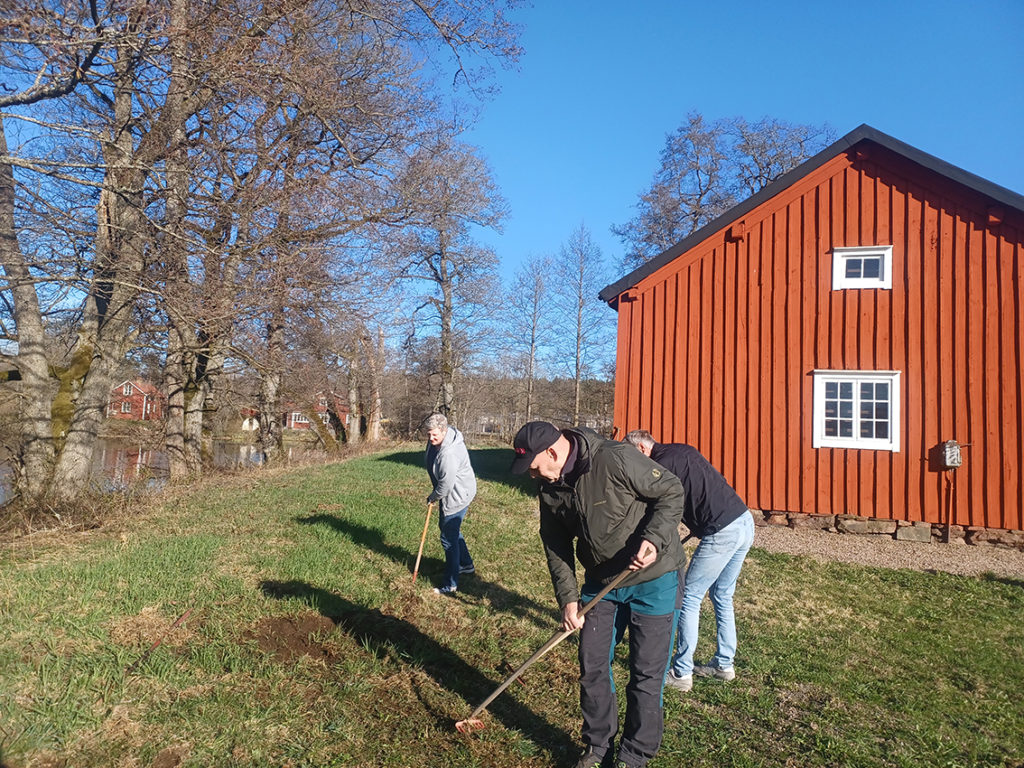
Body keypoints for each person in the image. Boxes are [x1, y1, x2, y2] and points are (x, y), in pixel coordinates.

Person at [510, 421, 686, 768]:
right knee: (592, 665)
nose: (532, 475)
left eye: (533, 466)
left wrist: (653, 538)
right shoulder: (550, 488)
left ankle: (634, 755)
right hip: (601, 584)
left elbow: (671, 490)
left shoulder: (614, 458)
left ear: (552, 452)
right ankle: (598, 746)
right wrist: (568, 598)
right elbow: (555, 544)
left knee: (646, 674)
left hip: (655, 577)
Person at [624, 429, 755, 693]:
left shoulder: (659, 467)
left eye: (632, 456)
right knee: (722, 594)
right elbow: (705, 484)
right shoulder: (683, 449)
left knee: (689, 597)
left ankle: (682, 673)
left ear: (641, 448)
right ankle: (723, 664)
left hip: (722, 530)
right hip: (744, 520)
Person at [424, 413, 476, 595]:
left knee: (448, 538)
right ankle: (466, 564)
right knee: (450, 530)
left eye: (435, 435)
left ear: (444, 431)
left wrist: (433, 497)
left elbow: (446, 484)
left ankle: (451, 584)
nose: (431, 438)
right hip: (457, 490)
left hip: (457, 495)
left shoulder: (449, 453)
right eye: (428, 434)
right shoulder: (440, 441)